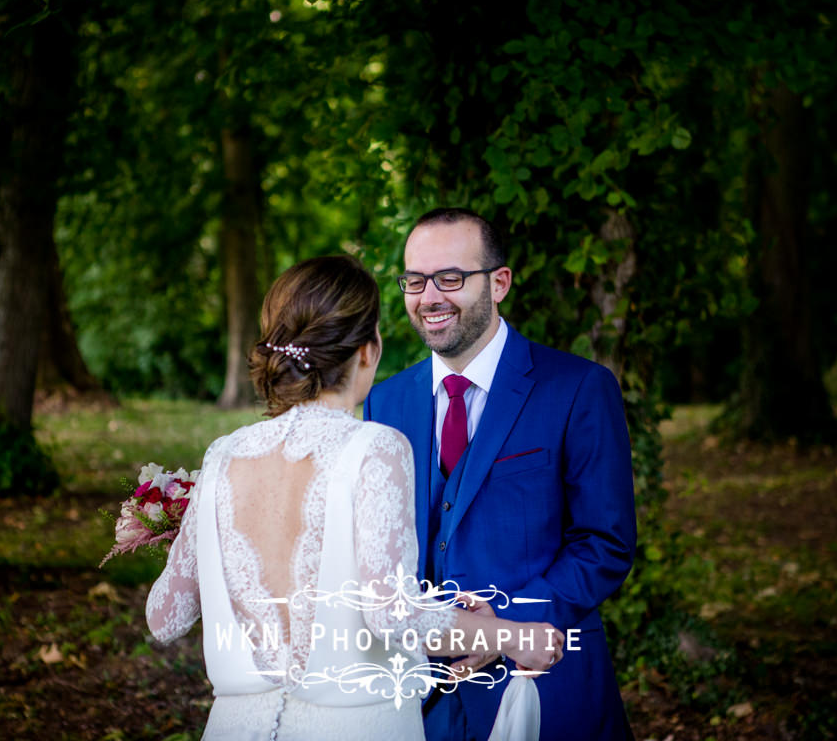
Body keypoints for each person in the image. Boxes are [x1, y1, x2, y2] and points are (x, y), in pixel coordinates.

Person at [146, 255, 563, 741]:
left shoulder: (222, 456)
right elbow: (392, 615)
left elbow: (163, 617)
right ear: (368, 350)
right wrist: (511, 636)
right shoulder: (375, 447)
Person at [364, 209, 637, 741]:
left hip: (541, 684)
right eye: (415, 281)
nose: (429, 297)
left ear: (500, 282)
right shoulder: (384, 401)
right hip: (418, 698)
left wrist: (505, 624)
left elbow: (605, 540)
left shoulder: (578, 388)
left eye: (450, 278)